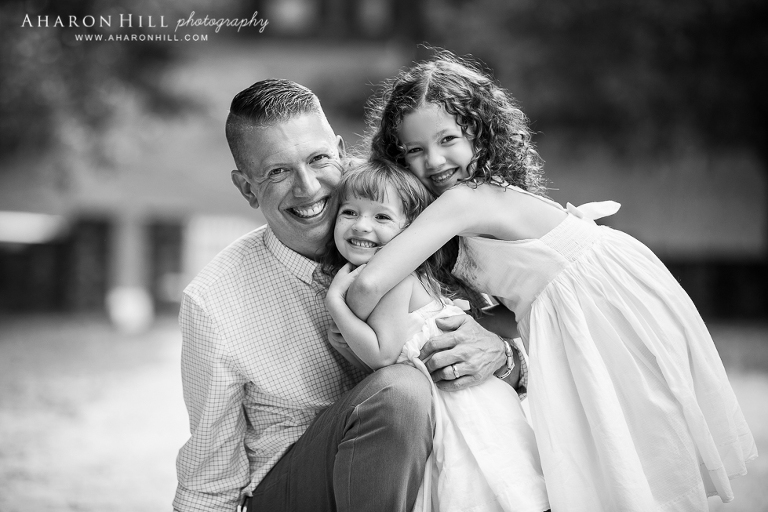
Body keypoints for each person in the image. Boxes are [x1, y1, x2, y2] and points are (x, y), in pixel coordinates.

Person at [344, 52, 758, 511]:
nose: (434, 160)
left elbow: (370, 285)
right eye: (415, 150)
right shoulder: (478, 198)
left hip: (602, 301)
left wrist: (341, 308)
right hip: (600, 296)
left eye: (448, 139)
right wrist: (470, 324)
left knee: (627, 436)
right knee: (614, 448)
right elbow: (520, 311)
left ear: (479, 133)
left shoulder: (463, 201)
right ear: (398, 155)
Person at [173, 78, 527, 512]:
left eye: (318, 159)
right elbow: (210, 473)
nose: (308, 188)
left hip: (426, 470)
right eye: (277, 171)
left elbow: (528, 341)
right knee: (399, 393)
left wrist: (502, 355)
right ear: (247, 188)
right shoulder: (213, 300)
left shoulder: (411, 222)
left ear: (341, 153)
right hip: (297, 488)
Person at [322, 159, 549, 512]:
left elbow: (383, 356)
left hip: (462, 406)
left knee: (479, 490)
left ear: (409, 230)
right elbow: (392, 362)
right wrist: (348, 344)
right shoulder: (382, 274)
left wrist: (335, 304)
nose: (362, 225)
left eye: (381, 217)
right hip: (447, 400)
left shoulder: (394, 277)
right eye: (349, 212)